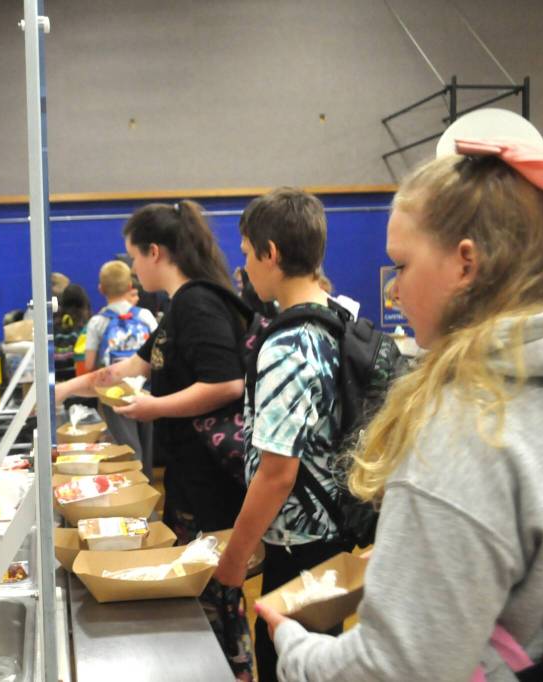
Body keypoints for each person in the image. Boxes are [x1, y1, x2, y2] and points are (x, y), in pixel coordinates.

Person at [257, 144, 543, 680]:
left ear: (466, 262)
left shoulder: (473, 422)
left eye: (402, 265)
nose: (394, 290)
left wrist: (296, 651)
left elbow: (395, 668)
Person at [61, 200, 254, 680]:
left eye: (133, 257)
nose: (131, 268)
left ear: (155, 252)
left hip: (211, 481)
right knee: (202, 592)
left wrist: (154, 407)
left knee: (213, 592)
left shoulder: (197, 302)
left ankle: (228, 670)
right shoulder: (175, 308)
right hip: (191, 477)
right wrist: (57, 390)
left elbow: (228, 383)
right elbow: (126, 370)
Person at [212, 188, 348, 682]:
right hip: (330, 530)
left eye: (247, 253)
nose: (243, 266)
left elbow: (276, 474)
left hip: (299, 544)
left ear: (270, 253)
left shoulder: (288, 344)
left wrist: (232, 563)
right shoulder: (337, 319)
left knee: (288, 666)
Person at [58, 261, 157, 476]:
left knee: (126, 447)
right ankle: (146, 494)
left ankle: (131, 492)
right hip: (148, 391)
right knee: (147, 448)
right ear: (130, 285)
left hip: (114, 395)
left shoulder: (97, 322)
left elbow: (90, 364)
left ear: (101, 289)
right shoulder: (146, 316)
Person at [53, 282, 91, 381]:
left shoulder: (54, 327)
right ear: (84, 303)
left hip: (55, 382)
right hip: (78, 381)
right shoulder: (87, 327)